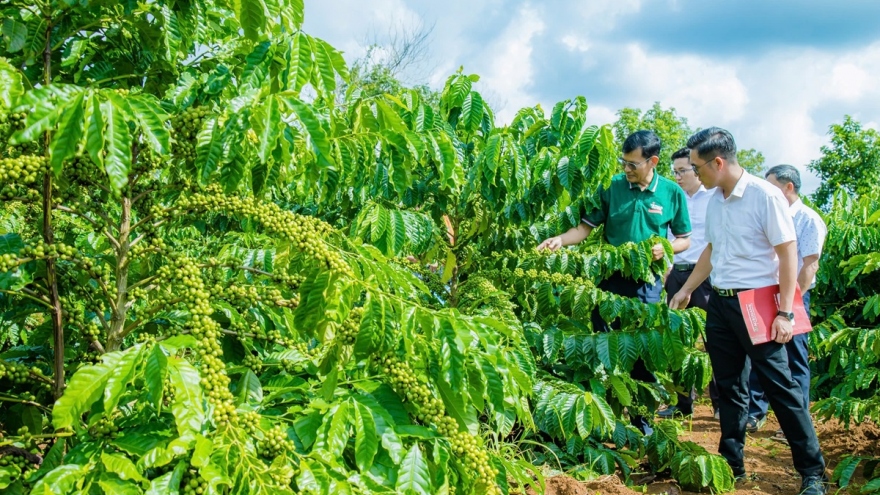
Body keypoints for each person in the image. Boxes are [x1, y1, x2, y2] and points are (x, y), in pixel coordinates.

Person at [669, 128, 827, 495]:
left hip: (757, 303)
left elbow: (788, 254)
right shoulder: (716, 201)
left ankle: (812, 472)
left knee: (781, 387)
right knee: (729, 388)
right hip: (721, 305)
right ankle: (731, 465)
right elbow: (712, 251)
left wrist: (785, 313)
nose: (694, 174)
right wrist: (689, 289)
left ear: (718, 162)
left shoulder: (764, 196)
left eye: (697, 167)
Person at [538, 130, 692, 435]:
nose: (626, 169)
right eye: (624, 162)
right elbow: (584, 228)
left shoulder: (672, 193)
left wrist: (666, 247)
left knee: (642, 355)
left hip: (646, 284)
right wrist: (560, 240)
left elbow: (685, 239)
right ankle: (600, 423)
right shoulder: (612, 187)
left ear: (653, 162)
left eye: (633, 164)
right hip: (608, 280)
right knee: (602, 348)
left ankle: (642, 425)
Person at [745, 165, 827, 440]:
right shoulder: (770, 214)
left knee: (794, 359)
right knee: (761, 352)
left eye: (773, 186)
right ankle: (755, 413)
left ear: (788, 187)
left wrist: (791, 303)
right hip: (765, 293)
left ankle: (794, 423)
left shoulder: (808, 219)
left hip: (794, 298)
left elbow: (810, 264)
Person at [657, 147, 720, 419]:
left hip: (707, 276)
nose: (678, 176)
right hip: (677, 274)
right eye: (675, 172)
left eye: (683, 170)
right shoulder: (674, 197)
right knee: (678, 342)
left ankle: (721, 405)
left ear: (696, 170)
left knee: (714, 340)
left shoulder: (715, 197)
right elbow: (671, 237)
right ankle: (683, 404)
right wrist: (667, 270)